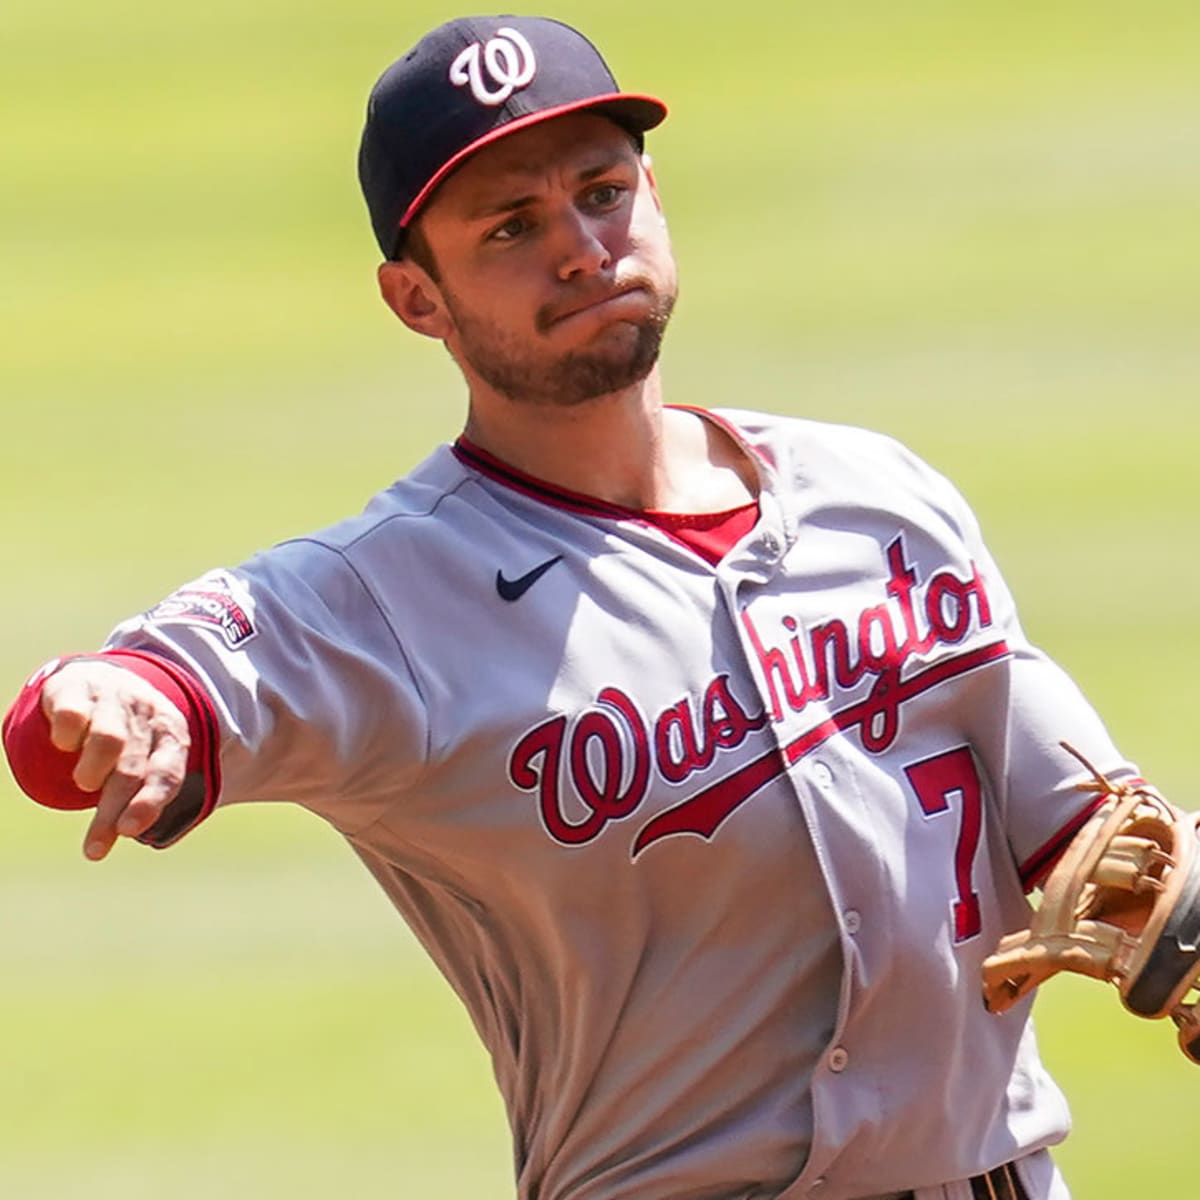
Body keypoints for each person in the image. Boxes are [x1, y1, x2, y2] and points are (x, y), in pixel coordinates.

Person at [0, 15, 1139, 1200]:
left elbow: (1082, 821)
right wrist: (114, 704)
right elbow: (137, 693)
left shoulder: (878, 495)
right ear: (415, 298)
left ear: (655, 195)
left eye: (602, 192)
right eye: (511, 227)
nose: (584, 248)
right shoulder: (389, 598)